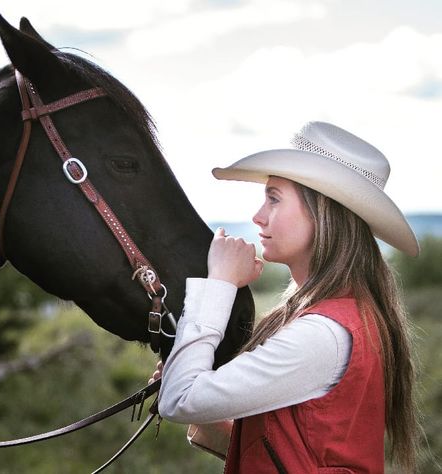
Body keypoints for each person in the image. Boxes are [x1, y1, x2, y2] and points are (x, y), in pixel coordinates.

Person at [151, 121, 420, 473]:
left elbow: (180, 400)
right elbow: (294, 454)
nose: (258, 216)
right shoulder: (343, 317)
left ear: (323, 213)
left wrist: (220, 281)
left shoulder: (323, 334)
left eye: (274, 198)